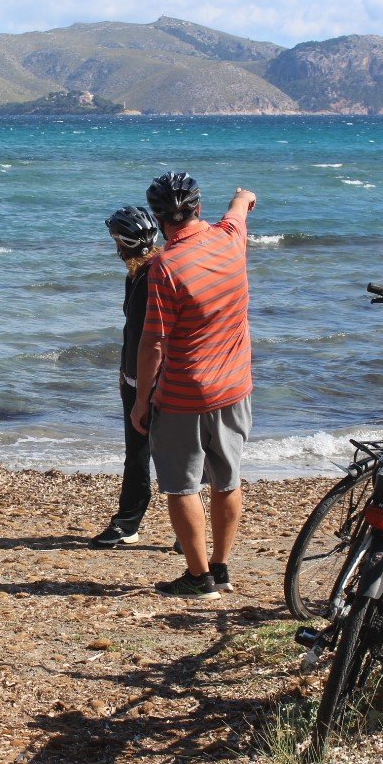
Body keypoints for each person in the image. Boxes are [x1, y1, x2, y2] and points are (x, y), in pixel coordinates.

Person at [130, 172, 257, 598]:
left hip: (185, 396)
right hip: (235, 388)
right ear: (199, 209)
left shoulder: (165, 266)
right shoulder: (230, 239)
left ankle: (198, 576)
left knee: (181, 485)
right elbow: (240, 209)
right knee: (227, 478)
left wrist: (141, 401)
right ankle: (221, 567)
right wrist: (243, 196)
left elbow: (153, 344)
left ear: (157, 218)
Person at [91, 205, 161, 548]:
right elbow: (131, 330)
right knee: (139, 453)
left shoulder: (153, 277)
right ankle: (129, 522)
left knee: (164, 455)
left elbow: (155, 339)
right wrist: (124, 372)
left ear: (123, 243)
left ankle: (134, 523)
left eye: (116, 241)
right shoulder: (138, 273)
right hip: (136, 379)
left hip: (154, 382)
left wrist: (142, 388)